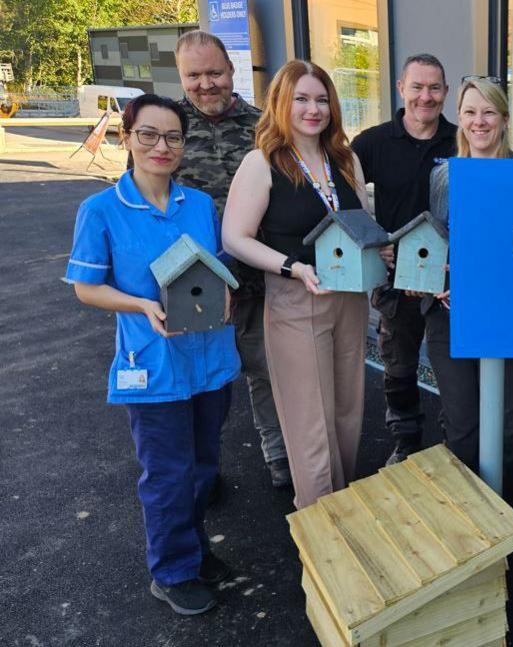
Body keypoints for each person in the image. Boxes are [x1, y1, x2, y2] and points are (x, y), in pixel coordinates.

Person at [65, 94, 240, 615]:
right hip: (154, 366)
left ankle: (194, 548)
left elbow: (216, 267)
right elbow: (85, 287)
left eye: (173, 137)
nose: (161, 147)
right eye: (149, 134)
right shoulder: (102, 210)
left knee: (204, 466)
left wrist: (227, 291)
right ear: (127, 137)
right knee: (167, 474)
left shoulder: (200, 206)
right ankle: (171, 571)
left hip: (210, 361)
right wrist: (140, 303)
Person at [222, 60, 371, 510]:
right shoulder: (262, 163)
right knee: (310, 423)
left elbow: (362, 221)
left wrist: (378, 248)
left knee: (347, 411)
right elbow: (234, 237)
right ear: (282, 103)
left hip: (348, 297)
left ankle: (342, 505)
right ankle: (321, 521)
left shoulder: (345, 159)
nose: (313, 109)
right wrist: (292, 267)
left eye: (322, 99)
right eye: (302, 99)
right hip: (296, 299)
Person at [172, 30, 290, 490]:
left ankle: (278, 453)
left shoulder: (264, 127)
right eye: (194, 75)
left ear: (232, 70)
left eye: (214, 72)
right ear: (181, 77)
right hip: (191, 282)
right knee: (200, 381)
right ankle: (204, 469)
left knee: (265, 370)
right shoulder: (167, 128)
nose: (206, 83)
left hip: (254, 279)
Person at [424, 76, 513, 507]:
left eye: (488, 112)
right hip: (452, 318)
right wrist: (436, 280)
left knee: (510, 430)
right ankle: (470, 523)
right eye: (470, 112)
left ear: (504, 120)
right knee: (465, 430)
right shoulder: (443, 176)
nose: (479, 121)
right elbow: (432, 241)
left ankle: (506, 518)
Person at [351, 53, 458, 465]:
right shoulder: (373, 142)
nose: (425, 97)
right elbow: (343, 198)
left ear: (445, 92)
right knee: (398, 366)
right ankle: (407, 441)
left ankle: (456, 444)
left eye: (434, 88)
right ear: (401, 89)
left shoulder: (460, 139)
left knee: (453, 368)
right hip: (395, 278)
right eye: (417, 87)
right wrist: (374, 241)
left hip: (449, 279)